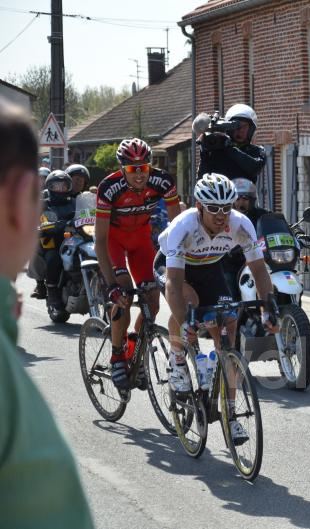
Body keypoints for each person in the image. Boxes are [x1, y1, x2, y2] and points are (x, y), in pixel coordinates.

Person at [0, 102, 94, 528]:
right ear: (23, 197)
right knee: (54, 265)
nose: (58, 191)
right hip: (55, 248)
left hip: (78, 243)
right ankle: (52, 289)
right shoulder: (8, 391)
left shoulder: (78, 201)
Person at [155, 173, 279, 443]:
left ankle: (230, 415)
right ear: (199, 207)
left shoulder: (241, 225)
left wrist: (268, 307)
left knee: (228, 326)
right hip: (175, 268)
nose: (221, 215)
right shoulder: (183, 226)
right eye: (214, 209)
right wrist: (187, 322)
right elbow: (174, 285)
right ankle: (177, 359)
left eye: (227, 208)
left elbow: (258, 269)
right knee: (190, 306)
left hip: (210, 267)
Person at [95, 138, 181, 392]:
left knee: (152, 301)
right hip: (114, 242)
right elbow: (99, 241)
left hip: (141, 242)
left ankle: (135, 346)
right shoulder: (109, 187)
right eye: (133, 169)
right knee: (123, 294)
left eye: (144, 167)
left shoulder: (163, 181)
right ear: (122, 168)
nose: (140, 174)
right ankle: (116, 354)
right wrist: (110, 285)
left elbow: (178, 227)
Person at [33, 170, 77, 307]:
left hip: (73, 240)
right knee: (53, 257)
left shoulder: (75, 201)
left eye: (64, 186)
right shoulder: (43, 203)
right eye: (56, 186)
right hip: (52, 241)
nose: (60, 189)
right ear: (50, 187)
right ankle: (51, 289)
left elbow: (87, 212)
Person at [197, 103, 266, 184]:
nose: (240, 130)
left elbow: (255, 168)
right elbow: (202, 180)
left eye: (244, 126)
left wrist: (229, 148)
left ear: (250, 129)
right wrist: (204, 153)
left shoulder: (257, 151)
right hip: (221, 196)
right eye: (236, 126)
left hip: (244, 196)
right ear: (229, 129)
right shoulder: (217, 151)